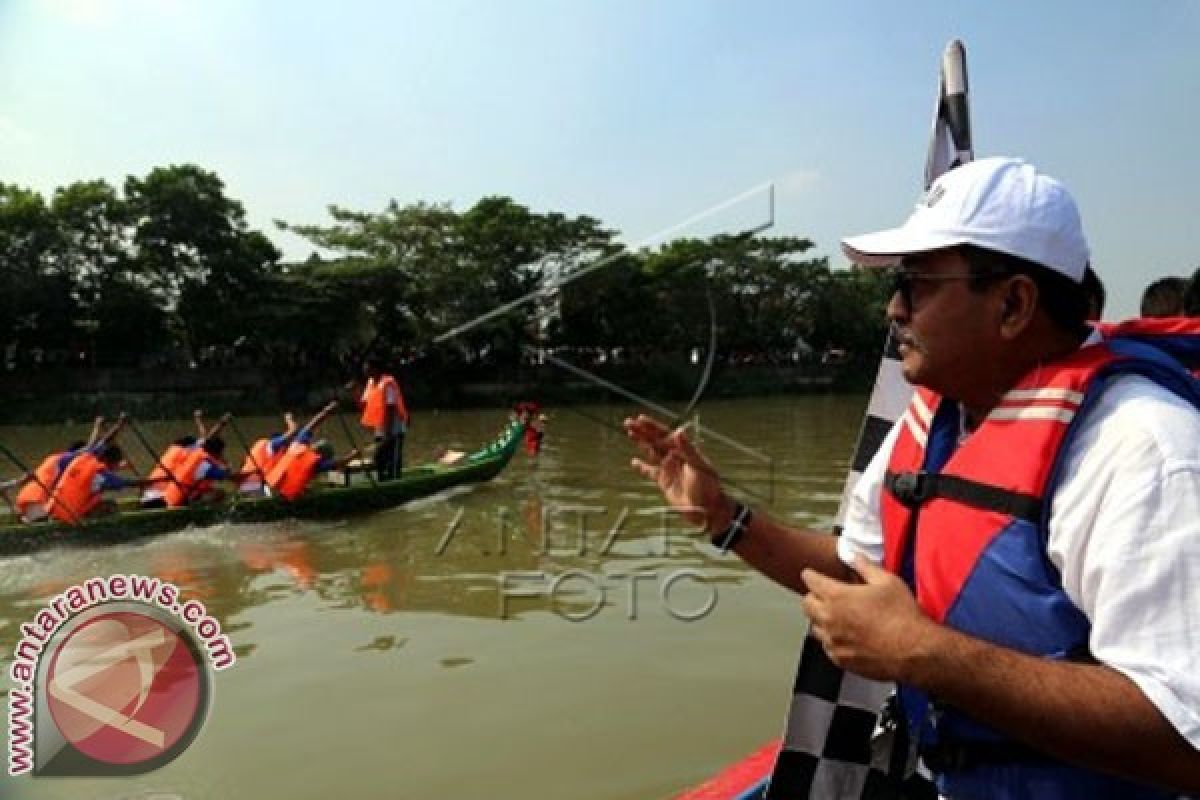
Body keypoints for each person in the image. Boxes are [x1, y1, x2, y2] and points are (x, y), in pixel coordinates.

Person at [626, 157, 1200, 797]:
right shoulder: (935, 419)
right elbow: (857, 572)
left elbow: (1186, 736)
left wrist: (924, 653)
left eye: (917, 284)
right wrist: (725, 518)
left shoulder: (1142, 446)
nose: (893, 309)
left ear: (1013, 304)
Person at [46, 444, 147, 523]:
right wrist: (151, 481)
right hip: (68, 515)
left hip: (52, 509)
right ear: (108, 460)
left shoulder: (84, 458)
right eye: (116, 464)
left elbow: (102, 443)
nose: (116, 467)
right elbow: (124, 483)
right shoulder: (99, 474)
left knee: (97, 500)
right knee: (110, 506)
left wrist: (118, 426)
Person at [358, 358, 409, 481]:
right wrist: (354, 391)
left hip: (393, 429)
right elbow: (363, 404)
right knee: (379, 458)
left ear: (375, 369)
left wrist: (388, 431)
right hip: (380, 428)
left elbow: (390, 408)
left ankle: (395, 481)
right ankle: (382, 480)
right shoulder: (371, 383)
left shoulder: (388, 383)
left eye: (367, 368)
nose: (365, 371)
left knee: (393, 459)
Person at [264, 438, 357, 501]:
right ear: (322, 455)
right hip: (283, 495)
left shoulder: (297, 449)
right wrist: (352, 456)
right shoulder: (314, 462)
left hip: (270, 486)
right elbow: (338, 463)